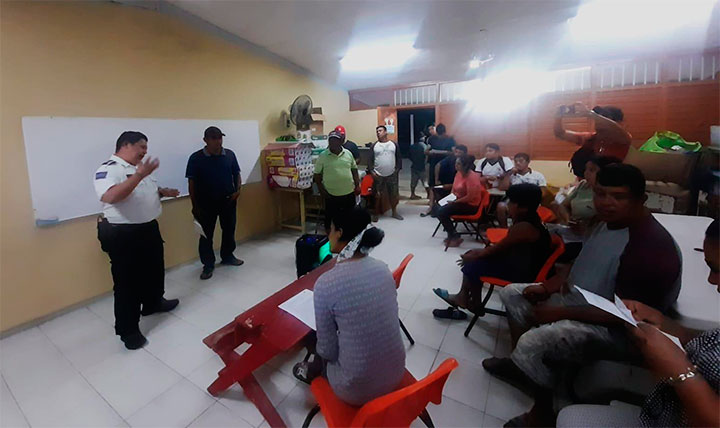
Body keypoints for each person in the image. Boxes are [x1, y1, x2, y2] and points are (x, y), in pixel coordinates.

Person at [483, 164, 682, 427]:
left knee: (535, 342)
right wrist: (548, 286)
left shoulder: (648, 247)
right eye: (601, 193)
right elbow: (580, 261)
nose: (606, 203)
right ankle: (522, 366)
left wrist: (559, 312)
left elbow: (628, 315)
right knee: (513, 293)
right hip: (581, 302)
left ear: (641, 199)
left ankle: (543, 413)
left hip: (620, 331)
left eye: (619, 197)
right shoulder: (605, 222)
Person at [557, 219, 720, 428]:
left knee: (572, 420)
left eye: (716, 269)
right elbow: (709, 342)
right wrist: (667, 325)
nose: (712, 280)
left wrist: (678, 369)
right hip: (665, 412)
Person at [292, 207, 406, 406]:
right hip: (396, 373)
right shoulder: (382, 269)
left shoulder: (326, 283)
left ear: (340, 233)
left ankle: (312, 371)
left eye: (330, 229)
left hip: (356, 390)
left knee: (313, 339)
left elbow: (328, 351)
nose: (328, 235)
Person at [95, 131, 180, 350]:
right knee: (128, 283)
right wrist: (139, 175)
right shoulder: (109, 169)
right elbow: (111, 196)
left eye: (146, 147)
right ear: (126, 145)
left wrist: (162, 192)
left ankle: (153, 303)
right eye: (141, 147)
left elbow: (141, 193)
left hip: (148, 228)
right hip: (123, 233)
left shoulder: (138, 170)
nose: (145, 151)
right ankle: (128, 330)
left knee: (155, 270)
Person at [433, 183, 551, 313]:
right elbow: (503, 248)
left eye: (511, 202)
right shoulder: (532, 220)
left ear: (521, 207)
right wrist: (476, 253)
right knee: (474, 256)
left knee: (473, 264)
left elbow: (498, 249)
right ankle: (465, 298)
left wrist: (476, 255)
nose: (508, 205)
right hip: (523, 263)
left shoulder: (524, 227)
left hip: (525, 273)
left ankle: (473, 303)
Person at [186, 126, 244, 280]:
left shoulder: (229, 154)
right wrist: (194, 205)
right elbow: (191, 183)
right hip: (205, 204)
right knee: (206, 235)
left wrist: (238, 190)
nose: (218, 141)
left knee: (229, 230)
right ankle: (208, 265)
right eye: (213, 138)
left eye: (219, 137)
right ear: (205, 140)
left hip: (228, 200)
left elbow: (236, 173)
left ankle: (228, 256)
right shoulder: (196, 158)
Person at [549, 155, 620, 260]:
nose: (586, 173)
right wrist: (568, 220)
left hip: (590, 238)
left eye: (592, 170)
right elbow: (564, 205)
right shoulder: (583, 185)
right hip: (572, 232)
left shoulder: (607, 194)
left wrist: (586, 227)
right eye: (586, 169)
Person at [554, 103, 632, 179]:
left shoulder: (622, 139)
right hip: (586, 183)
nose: (598, 123)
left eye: (603, 118)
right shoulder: (590, 138)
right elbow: (560, 133)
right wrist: (558, 117)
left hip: (608, 183)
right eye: (598, 119)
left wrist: (590, 114)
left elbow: (616, 130)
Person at [314, 130, 360, 233]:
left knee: (349, 216)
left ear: (341, 142)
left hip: (348, 192)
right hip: (331, 194)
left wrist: (357, 185)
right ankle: (330, 235)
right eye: (331, 140)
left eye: (335, 140)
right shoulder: (323, 156)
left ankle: (348, 234)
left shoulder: (348, 154)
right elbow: (317, 175)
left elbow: (354, 170)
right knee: (330, 217)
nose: (333, 142)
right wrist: (321, 190)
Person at [435, 154, 485, 247]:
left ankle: (454, 236)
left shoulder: (472, 177)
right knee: (437, 208)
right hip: (457, 200)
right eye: (456, 163)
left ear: (465, 166)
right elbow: (454, 188)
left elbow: (470, 197)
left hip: (470, 205)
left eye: (458, 164)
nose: (455, 165)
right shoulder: (458, 173)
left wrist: (455, 202)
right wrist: (450, 197)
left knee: (442, 212)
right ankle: (452, 233)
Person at [496, 153, 547, 227]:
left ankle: (525, 227)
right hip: (514, 201)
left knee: (523, 209)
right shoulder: (512, 175)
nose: (517, 163)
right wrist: (508, 174)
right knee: (501, 206)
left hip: (531, 202)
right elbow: (502, 188)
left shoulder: (538, 175)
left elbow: (543, 192)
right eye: (515, 161)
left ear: (528, 162)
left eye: (521, 161)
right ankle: (504, 229)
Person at [421, 145, 469, 217]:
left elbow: (464, 183)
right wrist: (437, 180)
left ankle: (441, 209)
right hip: (450, 184)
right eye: (456, 152)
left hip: (460, 188)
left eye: (460, 153)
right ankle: (431, 208)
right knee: (434, 188)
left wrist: (451, 186)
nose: (457, 154)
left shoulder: (467, 164)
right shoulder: (450, 158)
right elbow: (438, 165)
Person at [368, 125, 403, 221]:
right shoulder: (374, 146)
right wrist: (372, 172)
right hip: (378, 174)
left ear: (385, 132)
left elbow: (399, 158)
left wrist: (397, 170)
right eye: (377, 131)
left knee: (394, 194)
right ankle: (376, 213)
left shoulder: (393, 144)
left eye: (380, 131)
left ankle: (394, 212)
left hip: (392, 174)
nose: (378, 133)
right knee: (377, 195)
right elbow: (370, 160)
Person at [426, 123, 455, 188]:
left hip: (446, 165)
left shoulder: (450, 140)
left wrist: (445, 152)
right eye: (439, 135)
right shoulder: (431, 139)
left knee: (443, 185)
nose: (440, 137)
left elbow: (453, 152)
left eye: (441, 135)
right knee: (432, 185)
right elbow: (426, 151)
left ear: (444, 132)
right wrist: (429, 152)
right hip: (433, 163)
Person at [409, 127, 429, 200]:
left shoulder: (412, 146)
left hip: (414, 166)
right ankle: (429, 194)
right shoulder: (424, 146)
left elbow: (409, 156)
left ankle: (412, 194)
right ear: (422, 138)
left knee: (413, 182)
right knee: (425, 182)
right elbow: (427, 157)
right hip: (422, 167)